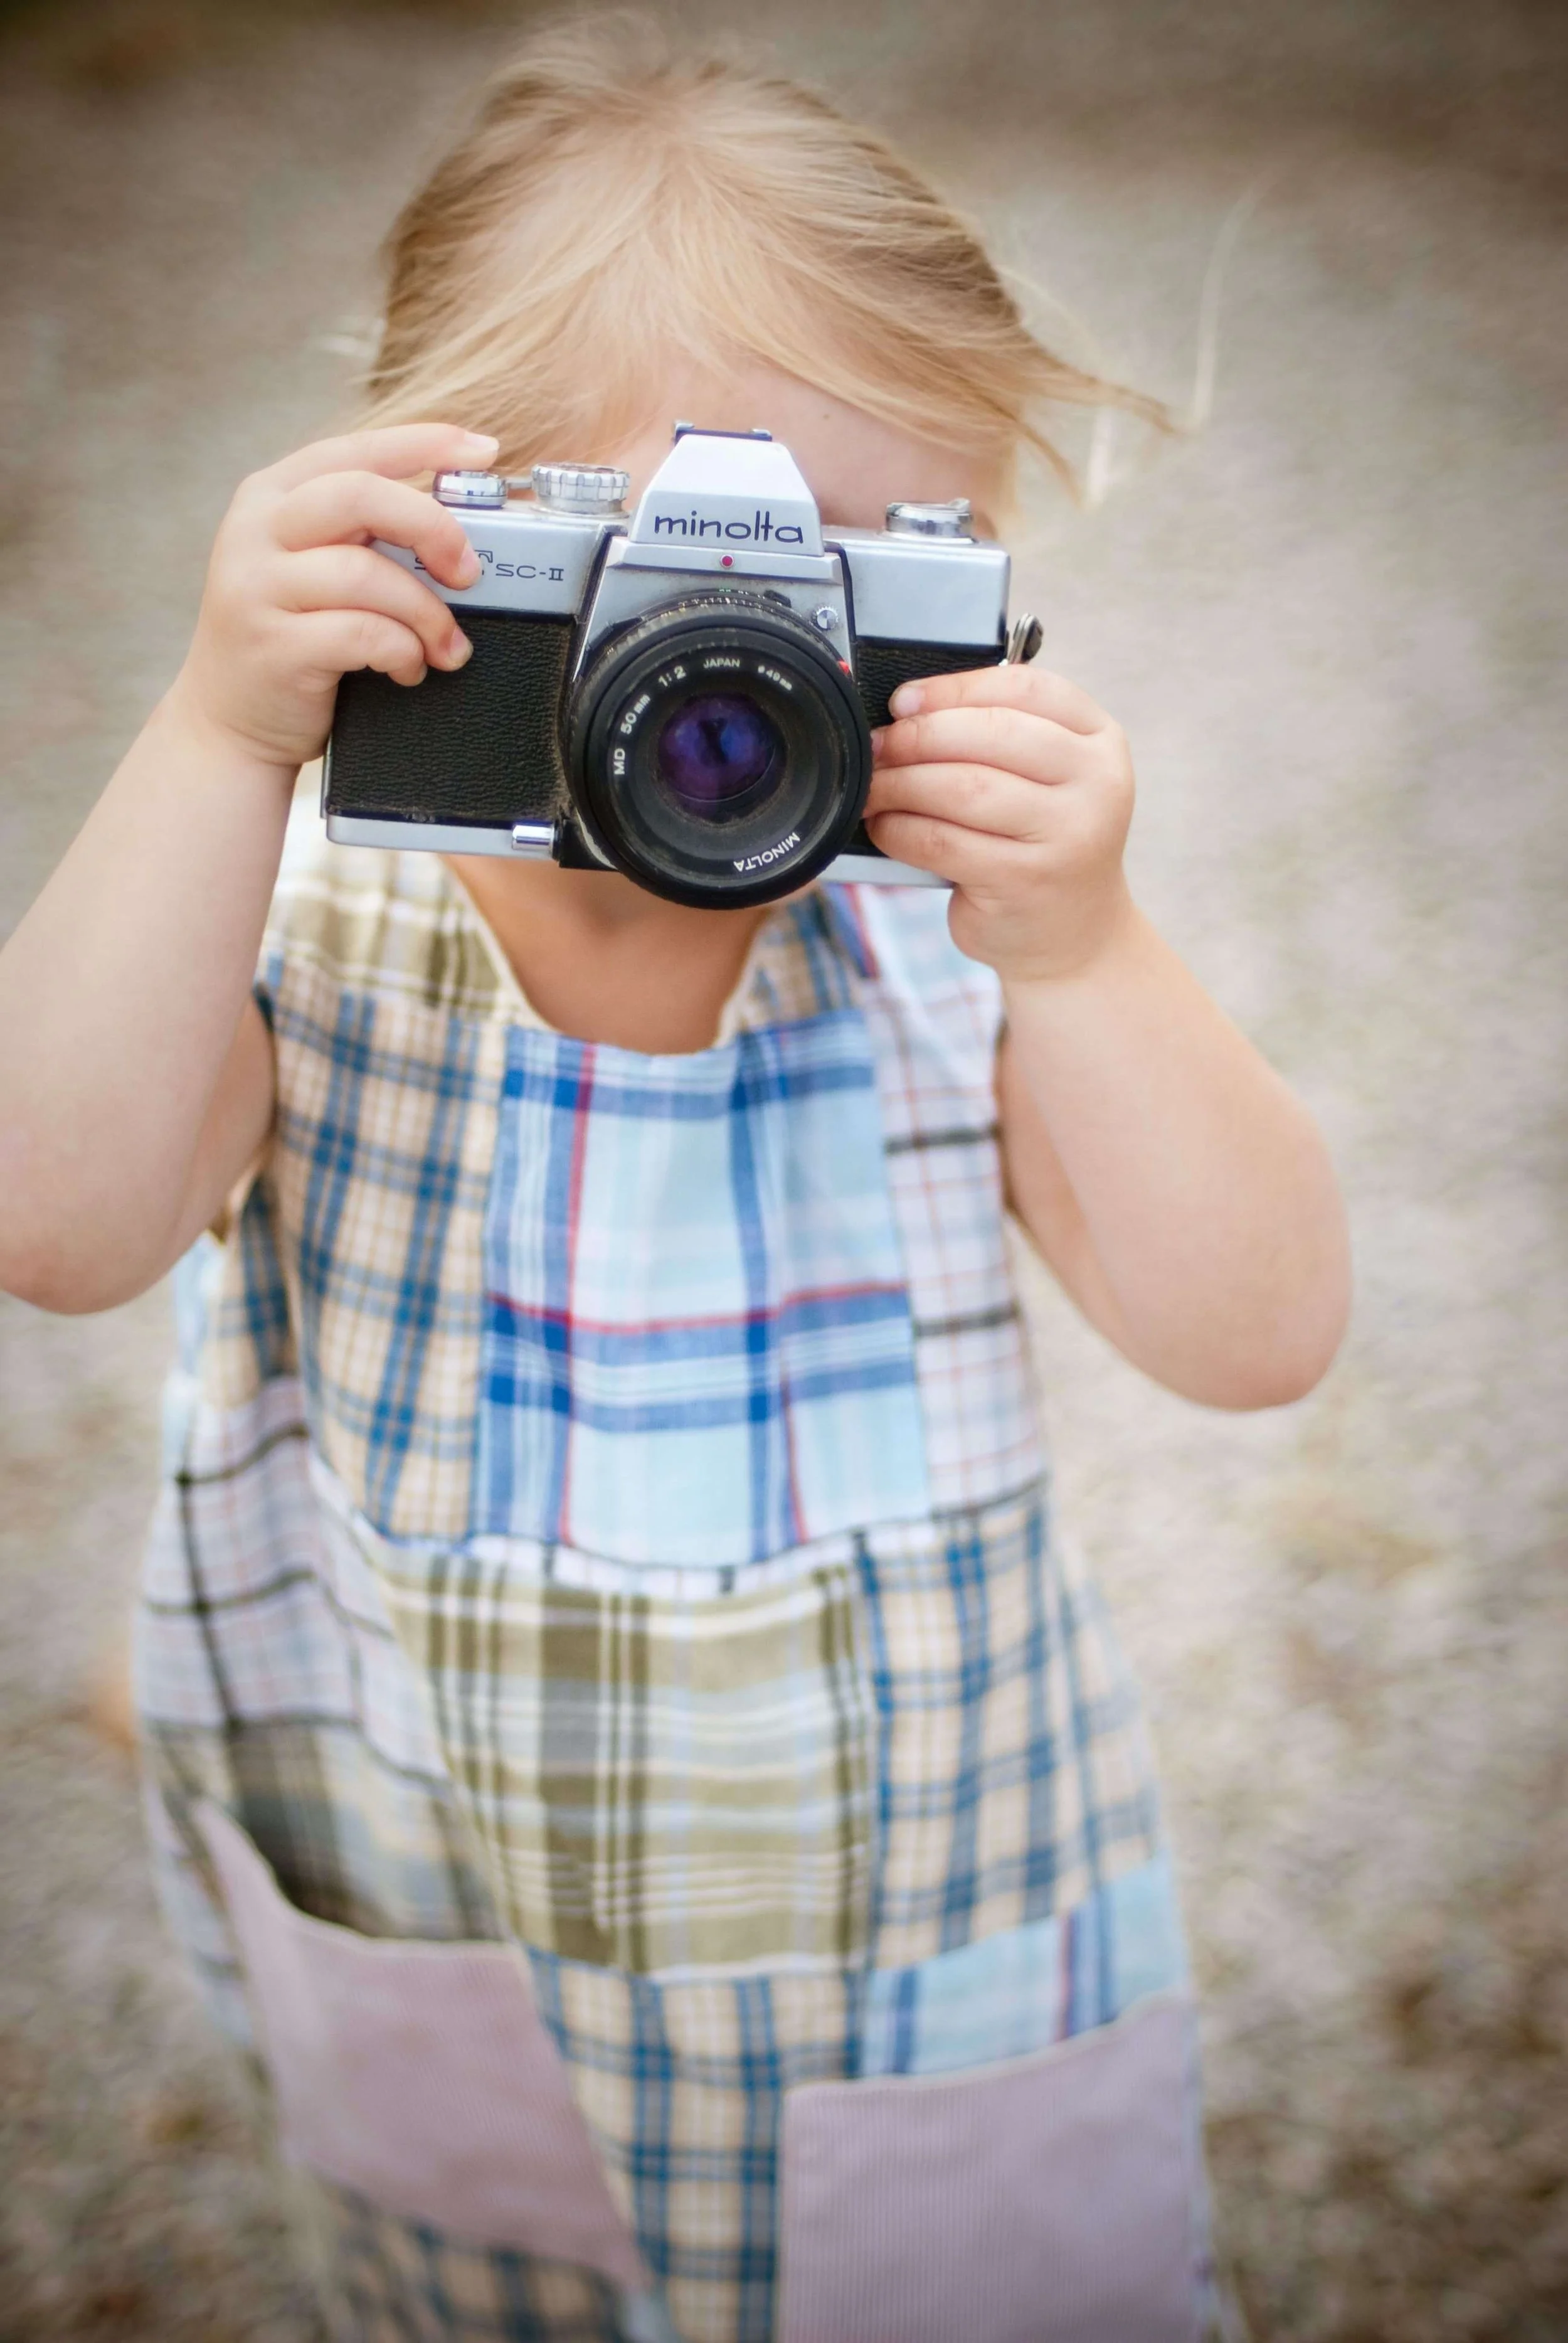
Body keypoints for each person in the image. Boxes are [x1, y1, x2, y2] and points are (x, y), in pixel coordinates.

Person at [0, 21, 1349, 2342]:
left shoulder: (937, 938)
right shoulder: (316, 908)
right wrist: (222, 731)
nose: (731, 692)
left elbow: (1255, 1337)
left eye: (835, 599)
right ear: (436, 556)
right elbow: (56, 1217)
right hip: (448, 1920)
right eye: (644, 591)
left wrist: (1094, 944)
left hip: (915, 1947)